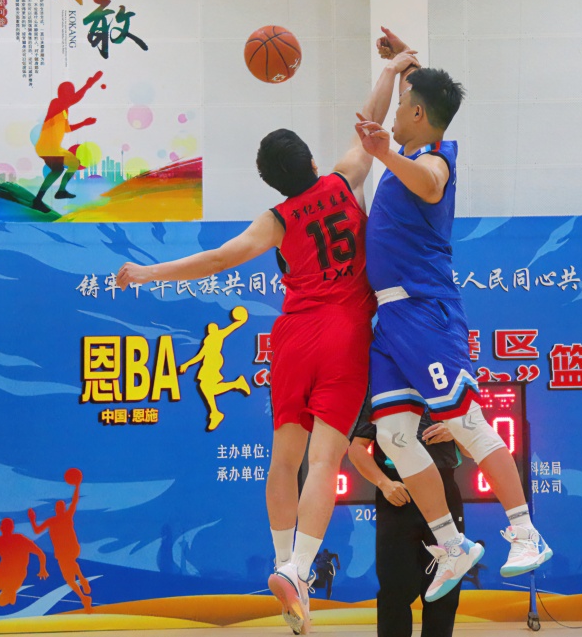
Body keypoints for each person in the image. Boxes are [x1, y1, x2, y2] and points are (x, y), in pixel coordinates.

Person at [116, 45, 418, 635]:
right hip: (343, 336)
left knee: (284, 460)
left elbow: (218, 258)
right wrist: (389, 69)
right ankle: (299, 569)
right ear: (310, 160)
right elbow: (370, 123)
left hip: (294, 336)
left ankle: (282, 562)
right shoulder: (344, 180)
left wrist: (148, 273)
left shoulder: (277, 219)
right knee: (325, 462)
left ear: (272, 182)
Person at [354, 28, 549, 604]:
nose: (393, 115)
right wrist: (402, 65)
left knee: (466, 422)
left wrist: (385, 153)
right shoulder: (410, 145)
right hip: (390, 321)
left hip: (425, 311)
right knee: (392, 434)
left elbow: (432, 185)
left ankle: (525, 532)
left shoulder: (435, 158)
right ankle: (451, 545)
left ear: (417, 114)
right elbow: (417, 106)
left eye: (401, 106)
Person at [348, 402, 467, 637]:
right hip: (398, 496)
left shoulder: (450, 391)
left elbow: (475, 448)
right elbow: (356, 448)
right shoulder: (380, 392)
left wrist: (456, 431)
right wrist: (384, 483)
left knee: (446, 588)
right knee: (394, 588)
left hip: (444, 494)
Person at [33, 71, 103, 213]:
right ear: (61, 93)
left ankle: (61, 191)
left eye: (72, 91)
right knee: (57, 170)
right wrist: (88, 85)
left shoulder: (64, 110)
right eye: (69, 92)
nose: (71, 94)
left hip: (55, 148)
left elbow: (67, 129)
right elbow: (74, 99)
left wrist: (84, 123)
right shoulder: (56, 103)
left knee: (74, 163)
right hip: (47, 147)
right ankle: (37, 201)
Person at [0, 518, 49, 631]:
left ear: (10, 528)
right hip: (2, 571)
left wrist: (43, 569)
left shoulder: (20, 539)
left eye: (6, 526)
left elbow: (40, 553)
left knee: (3, 601)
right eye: (3, 526)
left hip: (17, 573)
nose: (4, 528)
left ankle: (10, 592)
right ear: (1, 528)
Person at [28, 469, 92, 611]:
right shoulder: (53, 520)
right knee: (69, 577)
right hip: (64, 551)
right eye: (58, 506)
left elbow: (74, 501)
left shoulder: (66, 516)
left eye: (61, 506)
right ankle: (83, 594)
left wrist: (77, 486)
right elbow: (37, 530)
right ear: (56, 509)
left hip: (69, 548)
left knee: (70, 568)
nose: (59, 508)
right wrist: (32, 519)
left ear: (62, 508)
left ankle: (82, 581)